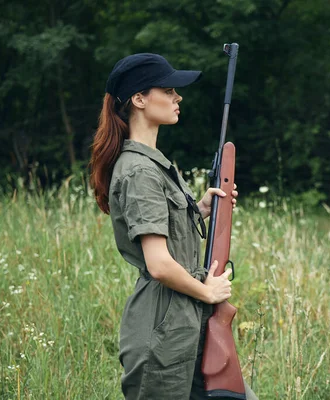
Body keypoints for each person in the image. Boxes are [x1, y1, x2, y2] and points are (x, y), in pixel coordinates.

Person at [88, 53, 258, 399]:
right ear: (139, 99)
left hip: (187, 325)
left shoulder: (155, 166)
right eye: (168, 90)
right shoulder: (139, 171)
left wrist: (201, 209)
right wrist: (208, 292)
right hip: (162, 332)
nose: (177, 97)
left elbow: (167, 231)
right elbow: (160, 264)